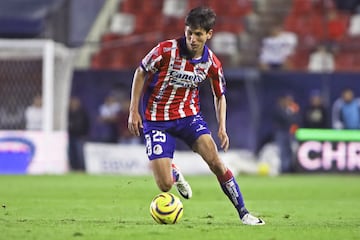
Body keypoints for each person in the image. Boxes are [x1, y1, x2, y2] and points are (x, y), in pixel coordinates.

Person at [127, 6, 264, 225]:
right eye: (189, 32)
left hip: (189, 117)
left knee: (216, 163)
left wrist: (222, 127)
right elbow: (141, 71)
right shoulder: (165, 50)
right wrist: (133, 110)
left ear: (209, 34)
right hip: (156, 120)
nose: (192, 38)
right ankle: (173, 171)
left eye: (198, 34)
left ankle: (244, 213)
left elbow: (220, 96)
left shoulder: (212, 63)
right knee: (164, 186)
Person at [272, 93, 301, 173]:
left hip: (289, 132)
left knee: (290, 151)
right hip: (281, 132)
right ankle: (283, 168)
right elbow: (285, 119)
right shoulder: (279, 109)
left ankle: (289, 168)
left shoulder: (292, 109)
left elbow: (297, 120)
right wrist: (291, 115)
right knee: (282, 151)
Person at [68, 96, 90, 171]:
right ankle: (73, 167)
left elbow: (87, 124)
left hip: (80, 136)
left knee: (80, 153)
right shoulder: (68, 113)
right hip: (71, 136)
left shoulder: (82, 113)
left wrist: (84, 134)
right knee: (72, 152)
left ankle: (81, 168)